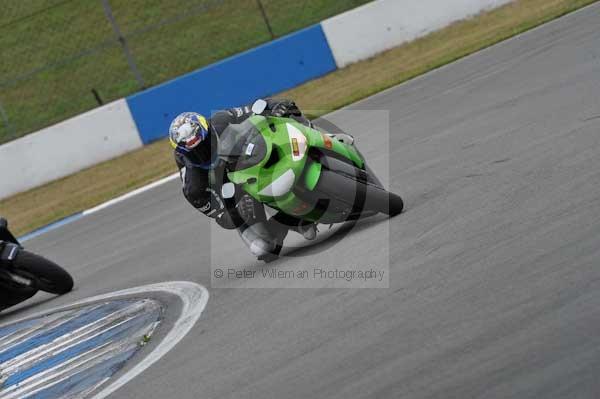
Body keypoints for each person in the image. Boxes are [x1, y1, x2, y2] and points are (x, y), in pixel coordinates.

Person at [169, 98, 326, 260]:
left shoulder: (221, 120)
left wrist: (276, 107)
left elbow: (255, 108)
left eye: (205, 145)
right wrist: (236, 211)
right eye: (195, 153)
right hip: (235, 192)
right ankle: (291, 221)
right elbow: (222, 218)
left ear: (208, 131)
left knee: (287, 116)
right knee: (263, 248)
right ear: (184, 155)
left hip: (249, 157)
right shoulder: (194, 188)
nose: (203, 154)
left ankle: (323, 140)